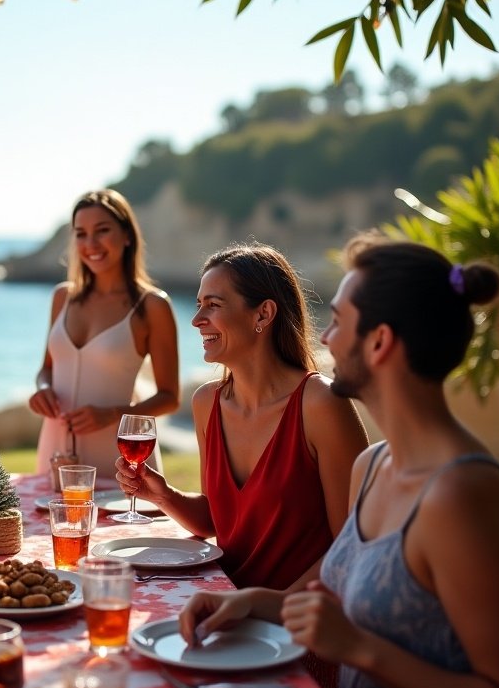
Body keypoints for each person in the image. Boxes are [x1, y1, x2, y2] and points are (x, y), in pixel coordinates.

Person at [178, 235, 499, 688]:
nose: (323, 339)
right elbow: (337, 595)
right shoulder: (374, 466)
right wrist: (256, 603)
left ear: (379, 343)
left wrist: (357, 649)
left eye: (339, 322)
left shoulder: (462, 493)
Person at [116, 241, 368, 591]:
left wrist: (263, 609)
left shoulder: (321, 405)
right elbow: (217, 520)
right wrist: (163, 496)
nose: (196, 319)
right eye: (199, 303)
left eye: (213, 305)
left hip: (295, 625)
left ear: (263, 314)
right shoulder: (207, 402)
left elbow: (350, 550)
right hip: (226, 608)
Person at [29, 189, 181, 479]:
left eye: (102, 231)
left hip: (121, 455)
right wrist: (42, 390)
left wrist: (112, 415)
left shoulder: (151, 306)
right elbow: (46, 370)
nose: (90, 244)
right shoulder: (63, 298)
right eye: (81, 234)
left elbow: (169, 397)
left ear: (127, 236)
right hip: (56, 451)